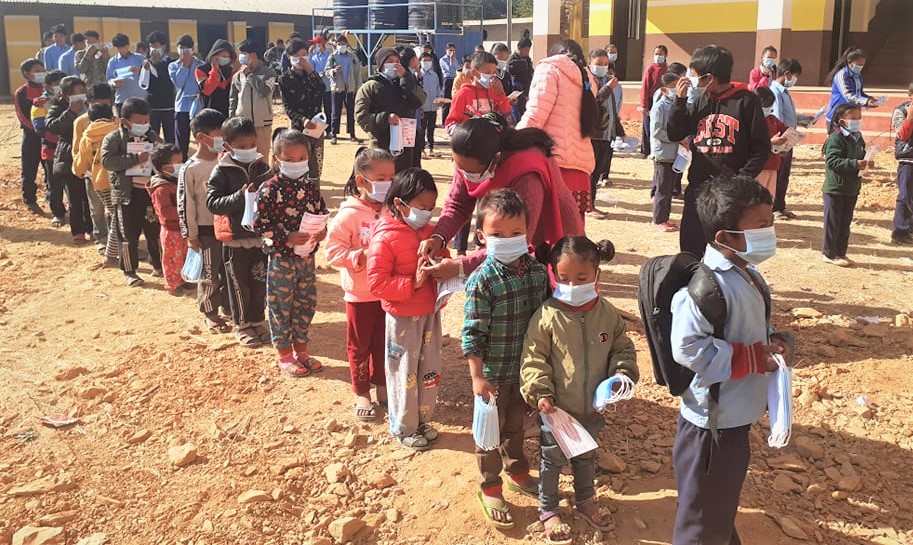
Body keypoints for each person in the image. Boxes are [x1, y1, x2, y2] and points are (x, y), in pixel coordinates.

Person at [669, 174, 794, 545]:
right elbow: (689, 347)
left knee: (717, 504)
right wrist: (755, 358)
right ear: (725, 237)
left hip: (735, 417)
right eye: (761, 226)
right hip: (711, 427)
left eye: (770, 223)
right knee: (700, 520)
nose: (770, 232)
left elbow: (747, 328)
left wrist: (774, 343)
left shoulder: (748, 274)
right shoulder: (705, 289)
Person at [521, 235, 637, 543]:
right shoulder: (547, 315)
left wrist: (623, 373)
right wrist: (540, 392)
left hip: (591, 409)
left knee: (587, 457)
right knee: (552, 461)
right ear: (554, 276)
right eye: (563, 278)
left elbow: (622, 348)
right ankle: (548, 509)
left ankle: (585, 499)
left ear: (597, 274)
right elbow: (534, 358)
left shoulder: (608, 313)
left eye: (581, 278)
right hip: (557, 411)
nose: (572, 284)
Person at [463, 189, 547, 529]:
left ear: (528, 230)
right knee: (488, 435)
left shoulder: (539, 273)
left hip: (524, 371)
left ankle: (517, 471)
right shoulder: (481, 280)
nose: (508, 240)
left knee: (516, 427)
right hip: (493, 376)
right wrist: (477, 376)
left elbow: (545, 322)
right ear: (482, 236)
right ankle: (491, 487)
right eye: (498, 234)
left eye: (516, 233)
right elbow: (472, 333)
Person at [418, 115, 584, 280]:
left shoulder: (526, 174)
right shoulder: (468, 159)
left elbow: (518, 243)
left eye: (471, 173)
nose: (465, 176)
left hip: (548, 240)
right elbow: (458, 205)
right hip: (510, 245)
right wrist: (438, 238)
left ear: (496, 159)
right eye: (459, 169)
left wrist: (461, 267)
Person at [367, 168, 446, 451]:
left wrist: (442, 273)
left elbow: (445, 261)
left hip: (429, 314)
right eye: (422, 207)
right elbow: (376, 283)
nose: (427, 213)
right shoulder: (385, 237)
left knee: (428, 368)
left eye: (431, 208)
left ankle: (423, 420)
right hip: (402, 317)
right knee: (404, 371)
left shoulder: (430, 234)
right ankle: (404, 426)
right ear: (400, 204)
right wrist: (411, 283)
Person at [666, 44, 771, 258]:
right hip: (699, 189)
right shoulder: (701, 100)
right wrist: (680, 100)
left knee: (727, 250)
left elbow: (761, 148)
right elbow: (675, 132)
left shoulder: (746, 101)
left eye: (695, 77)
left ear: (710, 78)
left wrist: (740, 181)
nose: (692, 81)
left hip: (730, 194)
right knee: (691, 246)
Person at [326, 148, 395, 419]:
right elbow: (332, 252)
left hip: (387, 293)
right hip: (360, 294)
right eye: (381, 177)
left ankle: (383, 386)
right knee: (359, 345)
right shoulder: (348, 215)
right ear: (361, 181)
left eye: (391, 176)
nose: (387, 183)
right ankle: (361, 392)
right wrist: (360, 256)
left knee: (384, 343)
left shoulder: (393, 210)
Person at [252, 129, 328, 376]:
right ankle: (285, 355)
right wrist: (286, 237)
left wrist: (321, 232)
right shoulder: (269, 189)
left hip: (306, 259)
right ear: (276, 159)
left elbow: (320, 213)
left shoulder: (311, 188)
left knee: (305, 304)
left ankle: (302, 351)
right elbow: (259, 224)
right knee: (280, 306)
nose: (296, 164)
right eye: (290, 159)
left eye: (301, 158)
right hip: (281, 260)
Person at [206, 116, 273, 345]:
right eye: (242, 147)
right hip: (235, 239)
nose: (248, 150)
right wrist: (239, 197)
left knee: (258, 281)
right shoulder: (222, 171)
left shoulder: (261, 167)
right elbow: (213, 203)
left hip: (258, 237)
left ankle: (258, 321)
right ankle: (243, 325)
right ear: (227, 146)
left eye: (251, 145)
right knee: (238, 285)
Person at [518, 39, 599, 219]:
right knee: (572, 239)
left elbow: (535, 116)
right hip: (580, 171)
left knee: (546, 237)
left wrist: (511, 143)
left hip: (552, 167)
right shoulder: (588, 79)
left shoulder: (549, 69)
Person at [177, 108, 231, 333]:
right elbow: (186, 203)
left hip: (228, 229)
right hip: (205, 230)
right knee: (208, 274)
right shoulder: (191, 169)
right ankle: (210, 313)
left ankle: (231, 309)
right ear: (201, 137)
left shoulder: (227, 162)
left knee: (229, 272)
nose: (223, 141)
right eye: (220, 135)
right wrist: (191, 235)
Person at [101, 97, 162, 286]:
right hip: (127, 195)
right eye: (139, 122)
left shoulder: (152, 136)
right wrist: (135, 158)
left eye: (146, 121)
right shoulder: (114, 138)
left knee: (154, 231)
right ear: (124, 120)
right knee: (128, 234)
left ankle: (158, 265)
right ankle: (129, 271)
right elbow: (107, 161)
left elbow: (165, 157)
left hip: (149, 193)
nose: (143, 125)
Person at [354, 48, 427, 172]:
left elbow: (420, 100)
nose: (395, 64)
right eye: (390, 61)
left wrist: (406, 78)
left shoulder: (404, 83)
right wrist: (385, 118)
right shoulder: (370, 86)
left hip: (404, 149)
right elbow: (362, 117)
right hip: (381, 147)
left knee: (402, 185)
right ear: (381, 64)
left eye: (397, 61)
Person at [822, 103, 871, 267]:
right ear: (842, 121)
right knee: (833, 222)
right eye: (853, 118)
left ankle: (840, 252)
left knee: (845, 223)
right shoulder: (836, 138)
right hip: (836, 188)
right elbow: (832, 161)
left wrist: (867, 162)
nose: (857, 121)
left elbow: (861, 156)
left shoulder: (858, 138)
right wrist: (854, 163)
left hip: (851, 188)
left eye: (859, 118)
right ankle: (829, 253)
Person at [74, 97, 121, 266]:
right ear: (111, 116)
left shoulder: (87, 136)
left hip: (99, 182)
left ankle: (116, 252)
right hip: (118, 182)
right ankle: (111, 255)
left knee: (116, 216)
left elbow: (79, 164)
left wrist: (80, 172)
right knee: (118, 217)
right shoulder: (118, 130)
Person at [46, 75, 93, 244]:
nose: (81, 96)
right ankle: (78, 231)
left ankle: (92, 228)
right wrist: (71, 111)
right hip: (68, 156)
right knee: (74, 196)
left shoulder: (91, 106)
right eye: (77, 92)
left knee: (89, 196)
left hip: (89, 154)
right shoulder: (58, 107)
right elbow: (53, 127)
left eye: (83, 92)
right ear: (66, 95)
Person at [279, 39, 327, 187]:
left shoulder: (311, 75)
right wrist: (303, 120)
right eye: (298, 55)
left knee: (315, 164)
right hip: (299, 128)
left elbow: (321, 89)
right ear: (289, 56)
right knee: (298, 162)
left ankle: (314, 191)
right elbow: (288, 107)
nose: (302, 58)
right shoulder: (285, 79)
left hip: (317, 127)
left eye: (305, 54)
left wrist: (310, 70)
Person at [588, 49, 624, 219]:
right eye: (598, 64)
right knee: (591, 172)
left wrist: (618, 130)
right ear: (590, 64)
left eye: (605, 64)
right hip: (593, 135)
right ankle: (589, 206)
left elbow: (612, 110)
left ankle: (591, 204)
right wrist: (608, 88)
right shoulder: (589, 81)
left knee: (598, 172)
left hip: (606, 135)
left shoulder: (609, 82)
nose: (602, 67)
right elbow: (593, 102)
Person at [148, 143, 188, 294]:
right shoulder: (161, 189)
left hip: (182, 227)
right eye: (178, 163)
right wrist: (185, 210)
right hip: (171, 230)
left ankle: (183, 280)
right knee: (172, 259)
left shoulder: (176, 182)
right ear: (165, 168)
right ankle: (173, 284)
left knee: (183, 256)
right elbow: (165, 212)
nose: (182, 166)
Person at [770, 58, 806, 220]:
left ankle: (781, 205)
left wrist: (804, 119)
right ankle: (774, 208)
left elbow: (789, 115)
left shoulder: (784, 92)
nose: (794, 81)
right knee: (778, 175)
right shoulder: (775, 92)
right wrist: (783, 143)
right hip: (781, 140)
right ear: (787, 74)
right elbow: (778, 118)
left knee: (784, 174)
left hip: (788, 139)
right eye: (795, 77)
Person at [32, 69, 67, 227]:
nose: (60, 86)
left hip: (71, 149)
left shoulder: (73, 101)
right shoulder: (39, 104)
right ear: (47, 86)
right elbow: (40, 129)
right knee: (55, 184)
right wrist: (60, 137)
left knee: (75, 184)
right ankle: (57, 213)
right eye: (56, 83)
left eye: (62, 82)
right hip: (52, 150)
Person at [445, 52, 512, 134]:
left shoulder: (494, 92)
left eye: (494, 72)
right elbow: (450, 124)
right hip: (470, 143)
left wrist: (501, 94)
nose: (492, 76)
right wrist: (466, 133)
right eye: (487, 72)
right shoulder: (462, 94)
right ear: (474, 72)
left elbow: (508, 119)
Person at [230, 40, 276, 156]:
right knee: (243, 157)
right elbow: (233, 99)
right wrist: (232, 119)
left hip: (262, 124)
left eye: (244, 53)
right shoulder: (237, 75)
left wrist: (249, 75)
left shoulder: (269, 73)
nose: (241, 57)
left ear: (253, 55)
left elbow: (264, 91)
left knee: (262, 157)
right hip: (242, 124)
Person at [650, 72, 683, 232]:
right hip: (663, 154)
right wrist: (676, 138)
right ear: (664, 90)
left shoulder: (676, 105)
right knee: (662, 189)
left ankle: (665, 217)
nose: (677, 90)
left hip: (674, 154)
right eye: (673, 87)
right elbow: (657, 131)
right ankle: (657, 220)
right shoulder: (659, 107)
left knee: (669, 188)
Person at [15, 58, 48, 214]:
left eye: (42, 69)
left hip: (50, 136)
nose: (41, 73)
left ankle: (52, 199)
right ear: (27, 74)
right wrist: (38, 130)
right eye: (37, 71)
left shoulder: (49, 89)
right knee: (29, 169)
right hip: (31, 136)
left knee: (50, 170)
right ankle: (29, 199)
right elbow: (22, 116)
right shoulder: (22, 92)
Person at [170, 35, 205, 160]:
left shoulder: (201, 65)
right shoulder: (173, 66)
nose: (184, 51)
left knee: (202, 139)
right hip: (182, 108)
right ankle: (181, 166)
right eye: (181, 48)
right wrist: (184, 66)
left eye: (187, 49)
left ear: (192, 49)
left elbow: (204, 85)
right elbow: (178, 83)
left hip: (198, 107)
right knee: (181, 142)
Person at [826, 47, 878, 129]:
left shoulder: (858, 76)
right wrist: (865, 102)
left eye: (862, 65)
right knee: (837, 140)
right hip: (838, 115)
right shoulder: (842, 75)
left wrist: (869, 98)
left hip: (852, 115)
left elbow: (859, 93)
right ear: (849, 62)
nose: (860, 67)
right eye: (858, 65)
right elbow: (848, 95)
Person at [325, 35, 364, 145]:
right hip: (337, 88)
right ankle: (334, 135)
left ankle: (352, 134)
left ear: (347, 44)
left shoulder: (352, 57)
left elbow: (357, 73)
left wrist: (358, 87)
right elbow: (327, 71)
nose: (341, 46)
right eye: (339, 44)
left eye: (343, 44)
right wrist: (333, 71)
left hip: (350, 89)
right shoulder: (333, 57)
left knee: (351, 112)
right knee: (335, 113)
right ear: (336, 45)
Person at [754, 86, 789, 200]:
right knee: (757, 199)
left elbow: (786, 131)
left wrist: (784, 147)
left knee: (769, 198)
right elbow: (750, 143)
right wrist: (770, 143)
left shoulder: (772, 119)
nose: (768, 108)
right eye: (765, 105)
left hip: (773, 165)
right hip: (759, 166)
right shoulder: (751, 121)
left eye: (770, 105)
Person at [891, 84, 913, 246]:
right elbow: (902, 134)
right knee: (905, 196)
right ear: (910, 95)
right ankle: (900, 231)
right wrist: (910, 117)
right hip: (908, 158)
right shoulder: (901, 111)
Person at [144, 31, 176, 145]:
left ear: (163, 47)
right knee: (152, 137)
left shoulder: (171, 63)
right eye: (151, 46)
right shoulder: (146, 63)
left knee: (170, 136)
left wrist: (157, 64)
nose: (153, 49)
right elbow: (143, 84)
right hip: (152, 105)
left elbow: (169, 81)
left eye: (156, 46)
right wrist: (145, 69)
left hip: (168, 105)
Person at [106, 33, 149, 114]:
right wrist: (114, 84)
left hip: (139, 98)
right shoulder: (113, 62)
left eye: (124, 46)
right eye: (119, 47)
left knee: (141, 124)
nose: (122, 49)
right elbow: (109, 79)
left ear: (128, 45)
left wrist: (140, 71)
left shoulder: (140, 58)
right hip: (122, 99)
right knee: (123, 125)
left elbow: (149, 75)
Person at [639, 45, 668, 157]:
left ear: (666, 55)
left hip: (663, 99)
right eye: (656, 54)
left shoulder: (667, 69)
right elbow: (645, 87)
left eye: (660, 54)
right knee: (647, 125)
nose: (658, 56)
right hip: (651, 100)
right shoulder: (650, 69)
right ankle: (645, 150)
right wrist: (644, 105)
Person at [196, 40, 236, 116]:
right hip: (209, 113)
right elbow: (207, 90)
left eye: (228, 57)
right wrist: (214, 69)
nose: (226, 59)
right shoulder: (201, 69)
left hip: (227, 112)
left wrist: (235, 72)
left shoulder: (229, 70)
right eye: (223, 56)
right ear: (214, 55)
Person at [308, 36, 333, 137]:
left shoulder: (330, 56)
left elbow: (332, 68)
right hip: (317, 88)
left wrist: (326, 73)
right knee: (317, 110)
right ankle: (319, 131)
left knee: (328, 110)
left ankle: (329, 131)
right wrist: (310, 54)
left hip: (328, 86)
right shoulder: (313, 57)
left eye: (316, 44)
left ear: (321, 44)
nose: (315, 46)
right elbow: (310, 69)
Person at [419, 52, 442, 159]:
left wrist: (439, 99)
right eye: (424, 61)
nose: (427, 63)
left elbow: (438, 89)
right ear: (420, 62)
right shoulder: (418, 75)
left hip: (433, 107)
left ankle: (431, 148)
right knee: (422, 129)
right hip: (422, 108)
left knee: (431, 129)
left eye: (429, 60)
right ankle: (422, 149)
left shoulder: (434, 75)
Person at [508, 38, 533, 120]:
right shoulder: (513, 61)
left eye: (528, 50)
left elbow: (529, 76)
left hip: (526, 90)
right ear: (519, 49)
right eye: (525, 50)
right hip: (517, 92)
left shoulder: (527, 60)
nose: (527, 52)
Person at [440, 43, 459, 123]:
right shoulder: (443, 59)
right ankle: (444, 120)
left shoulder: (456, 60)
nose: (452, 52)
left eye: (453, 50)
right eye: (450, 50)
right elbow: (449, 70)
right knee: (446, 101)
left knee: (454, 100)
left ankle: (452, 119)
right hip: (447, 80)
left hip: (454, 80)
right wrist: (451, 60)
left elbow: (457, 70)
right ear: (446, 50)